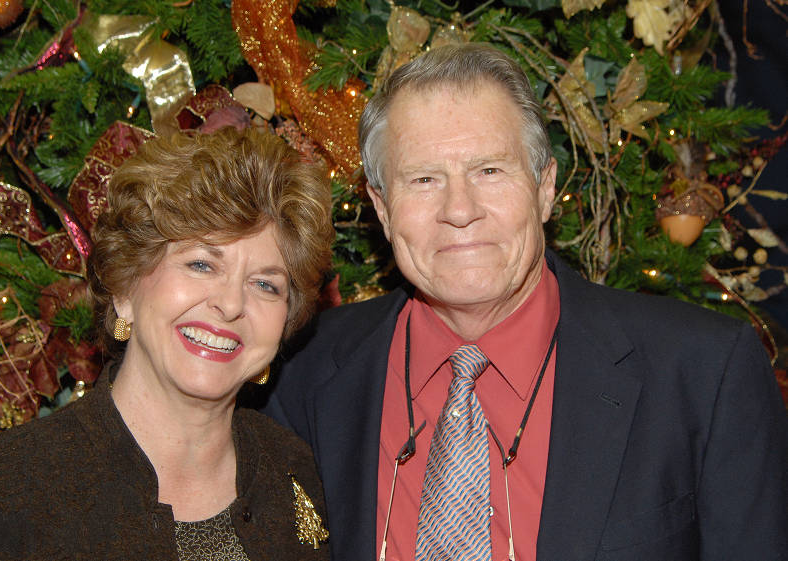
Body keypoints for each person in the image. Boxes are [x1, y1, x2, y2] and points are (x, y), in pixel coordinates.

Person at [264, 43, 788, 561]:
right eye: (424, 180)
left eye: (490, 170)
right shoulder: (303, 370)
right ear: (382, 208)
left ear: (544, 188)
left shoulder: (703, 373)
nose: (460, 210)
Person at [0, 127, 334, 560]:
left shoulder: (291, 468)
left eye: (265, 283)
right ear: (125, 288)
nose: (229, 304)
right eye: (201, 264)